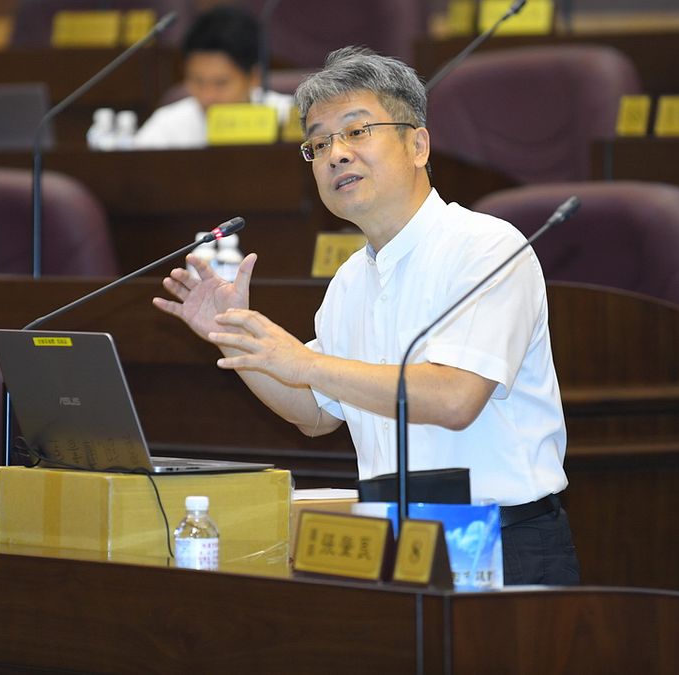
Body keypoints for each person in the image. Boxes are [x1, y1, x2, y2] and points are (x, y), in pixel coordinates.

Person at [153, 47, 579, 585]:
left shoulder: (486, 248)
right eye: (319, 143)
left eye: (357, 132)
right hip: (394, 544)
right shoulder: (352, 280)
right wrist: (232, 337)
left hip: (501, 543)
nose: (335, 154)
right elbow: (315, 413)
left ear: (418, 143)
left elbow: (454, 397)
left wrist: (305, 363)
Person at [131, 5, 293, 150]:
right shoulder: (167, 125)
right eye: (197, 81)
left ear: (254, 77)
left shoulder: (288, 118)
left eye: (221, 83)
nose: (208, 97)